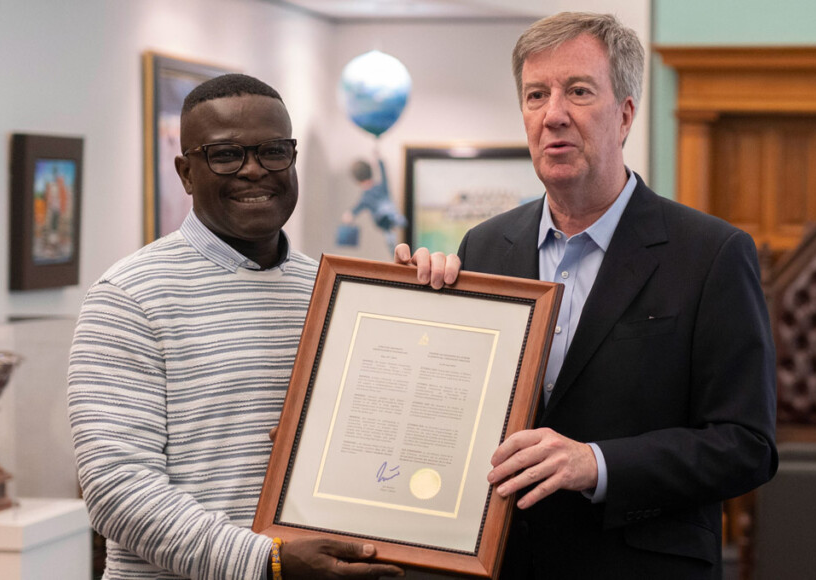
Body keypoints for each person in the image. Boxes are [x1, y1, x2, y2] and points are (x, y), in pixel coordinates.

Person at [396, 12, 777, 579]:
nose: (553, 115)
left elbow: (746, 445)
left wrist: (596, 463)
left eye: (578, 91)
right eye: (536, 95)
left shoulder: (711, 254)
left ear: (625, 115)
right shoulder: (484, 246)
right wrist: (413, 312)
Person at [68, 74, 405, 580]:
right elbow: (117, 488)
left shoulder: (332, 292)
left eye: (273, 151)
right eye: (225, 155)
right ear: (186, 173)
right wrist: (268, 562)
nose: (253, 170)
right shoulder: (129, 298)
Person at [341, 154, 408, 253]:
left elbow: (357, 208)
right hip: (391, 216)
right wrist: (379, 161)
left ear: (357, 180)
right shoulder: (382, 187)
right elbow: (384, 174)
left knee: (392, 239)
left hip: (384, 220)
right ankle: (394, 220)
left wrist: (349, 215)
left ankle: (393, 222)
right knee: (394, 232)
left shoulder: (365, 197)